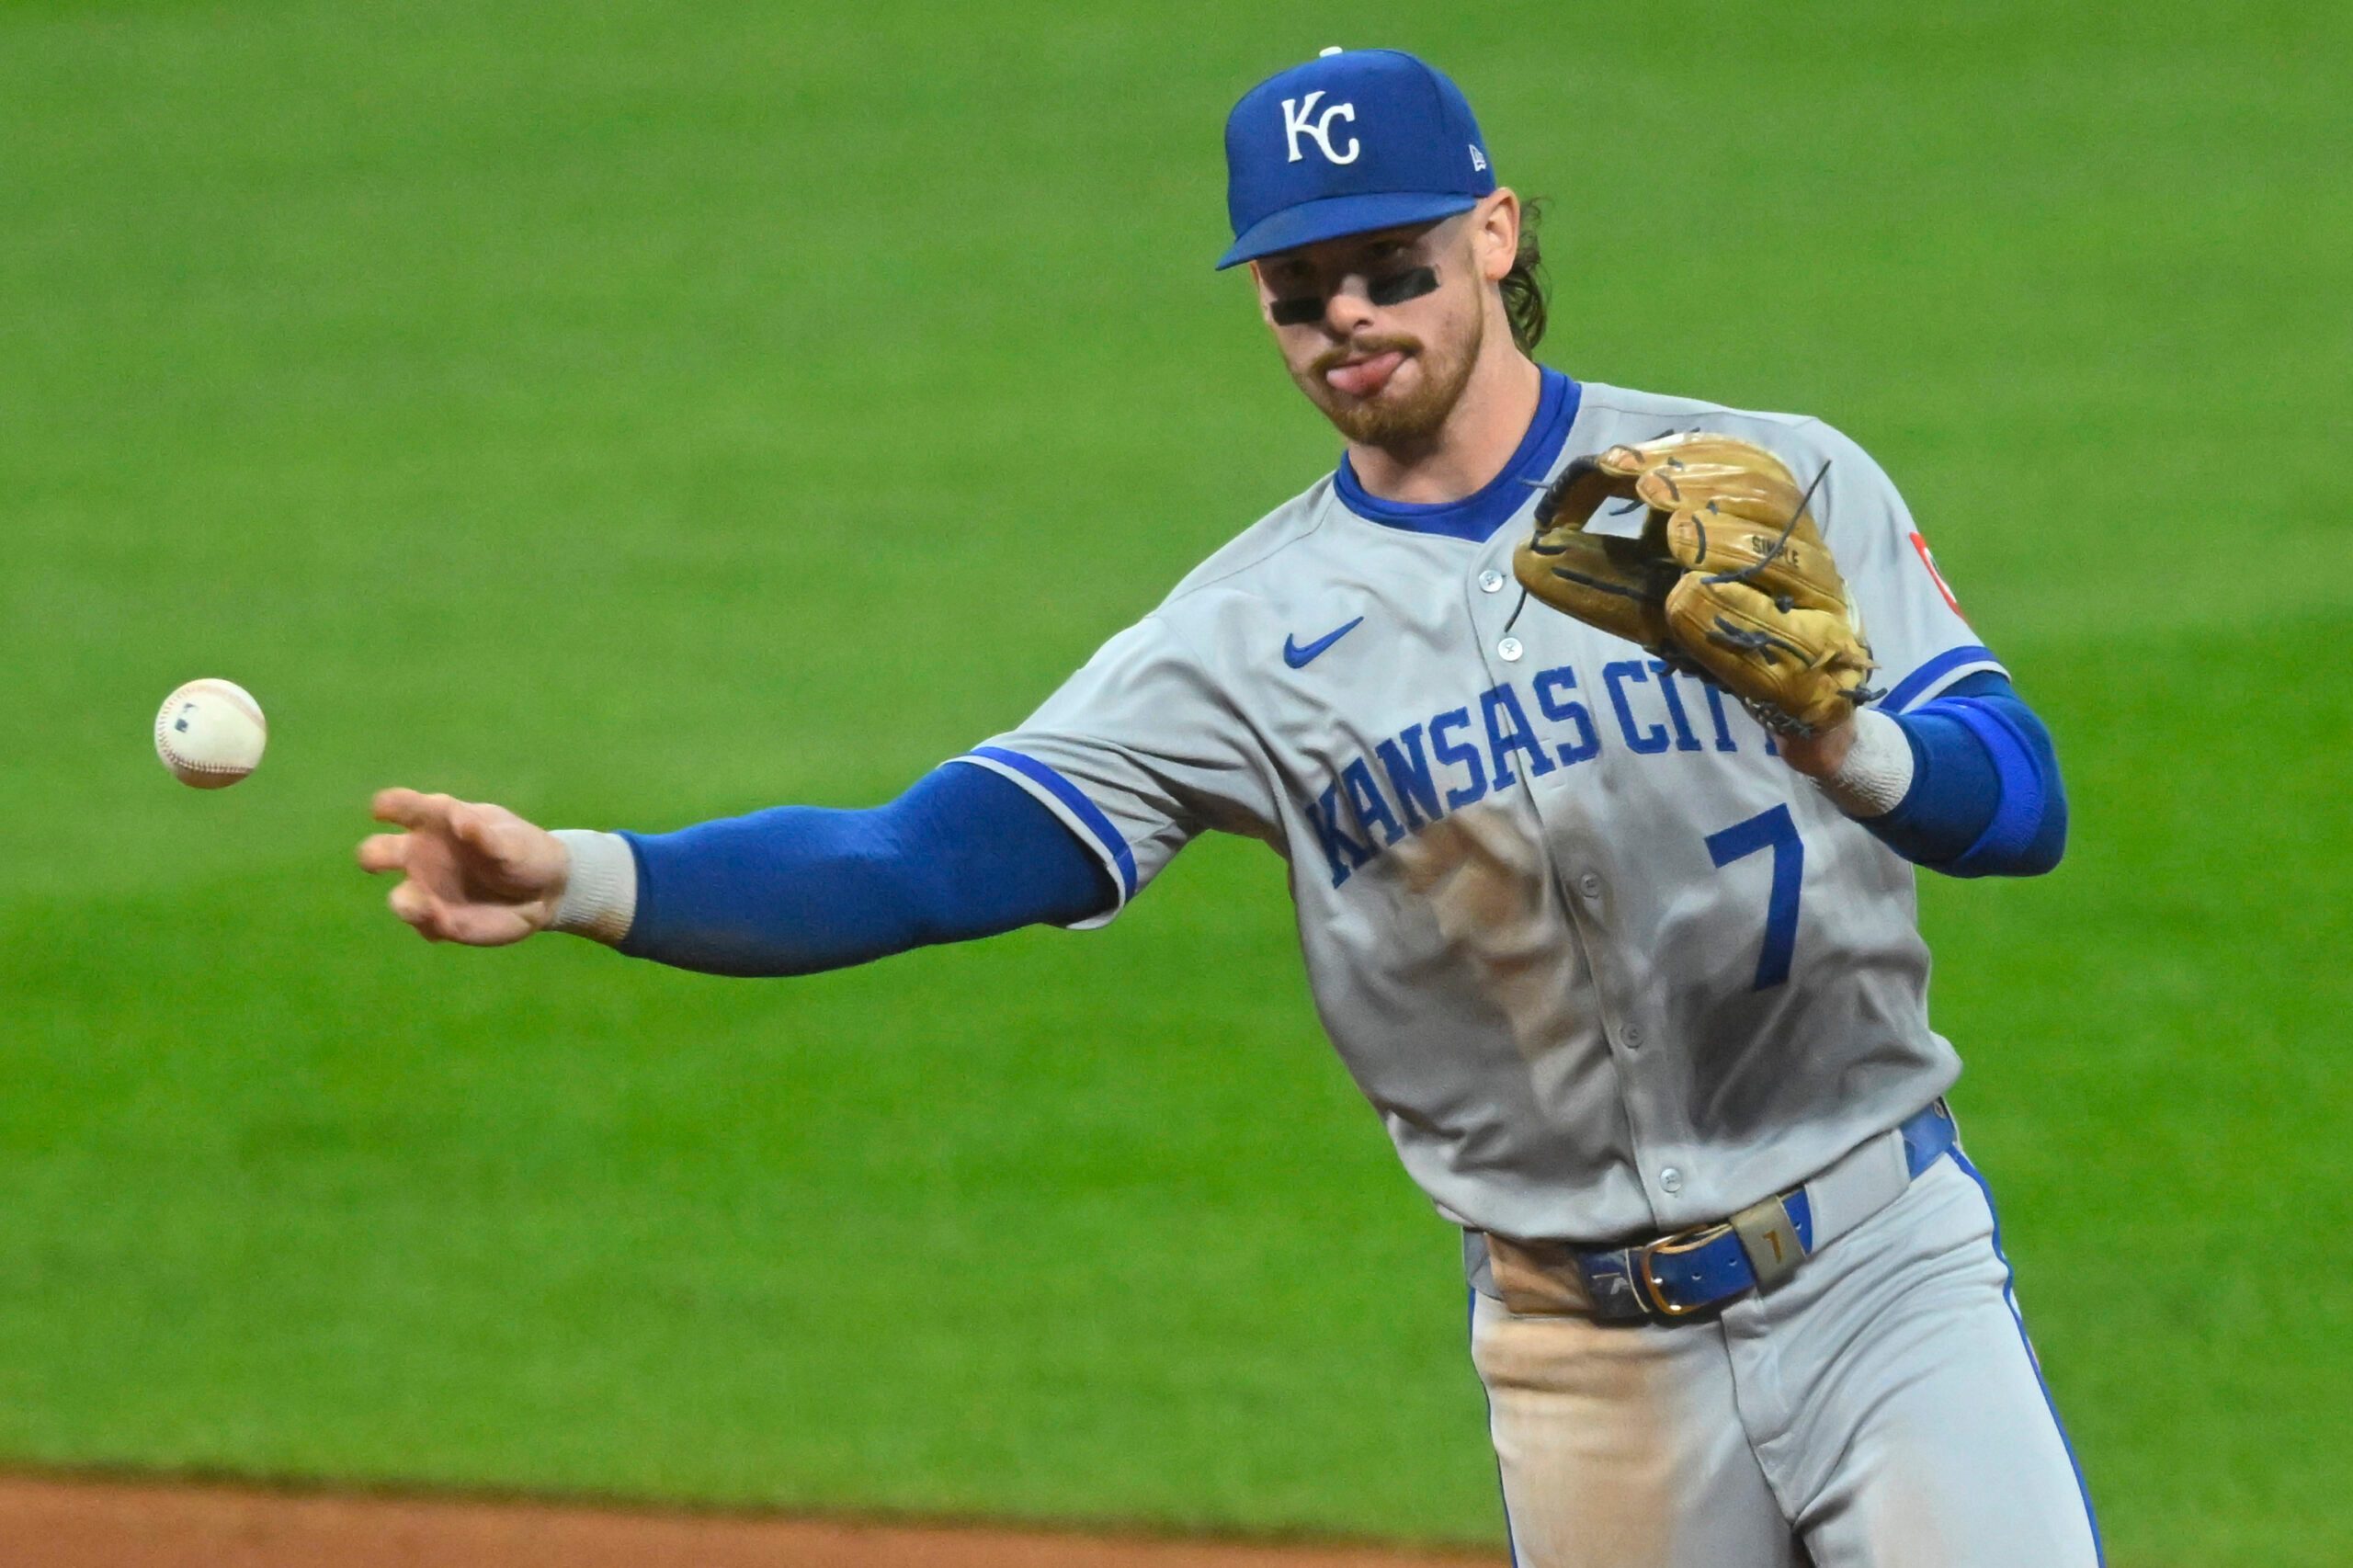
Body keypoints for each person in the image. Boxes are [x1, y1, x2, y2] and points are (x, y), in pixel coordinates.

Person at [358, 47, 2098, 1568]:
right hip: (1586, 1365)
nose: (1348, 314)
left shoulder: (1761, 476)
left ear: (1494, 235)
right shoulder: (1241, 640)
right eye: (1297, 286)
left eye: (1391, 265)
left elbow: (2021, 801)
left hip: (1884, 1273)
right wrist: (590, 876)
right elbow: (918, 857)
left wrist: (1847, 741)